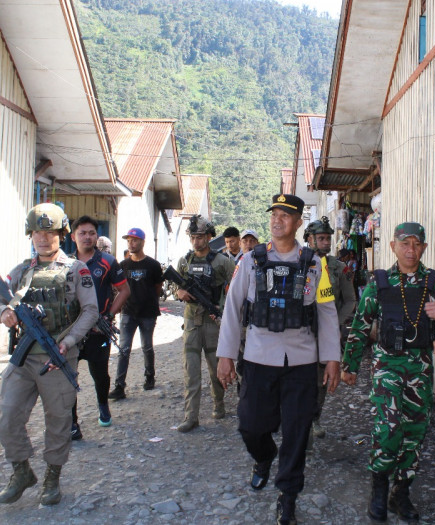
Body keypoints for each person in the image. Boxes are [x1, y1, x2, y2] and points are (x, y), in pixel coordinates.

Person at [217, 194, 342, 525]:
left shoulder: (317, 264)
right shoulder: (250, 261)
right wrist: (226, 355)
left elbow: (327, 312)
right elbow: (233, 309)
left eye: (286, 215)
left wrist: (332, 358)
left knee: (298, 432)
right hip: (259, 358)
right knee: (250, 425)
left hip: (302, 361)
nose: (278, 219)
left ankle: (288, 497)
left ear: (298, 222)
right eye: (275, 213)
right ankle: (263, 456)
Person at [341, 222, 435, 523]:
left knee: (414, 433)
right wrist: (350, 365)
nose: (411, 249)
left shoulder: (434, 282)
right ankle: (379, 489)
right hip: (387, 367)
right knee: (388, 428)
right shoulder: (380, 282)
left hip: (419, 368)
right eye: (404, 243)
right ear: (393, 246)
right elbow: (360, 324)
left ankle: (401, 492)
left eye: (416, 244)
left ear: (423, 248)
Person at [0, 203, 98, 506]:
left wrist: (70, 340)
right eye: (37, 232)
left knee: (58, 421)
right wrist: (3, 313)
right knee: (8, 416)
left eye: (49, 232)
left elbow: (91, 310)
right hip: (24, 358)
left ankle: (52, 476)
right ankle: (21, 471)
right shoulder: (22, 270)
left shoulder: (77, 270)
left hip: (58, 357)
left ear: (61, 235)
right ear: (30, 234)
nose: (43, 238)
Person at [69, 216, 129, 440]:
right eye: (82, 233)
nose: (87, 237)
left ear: (96, 236)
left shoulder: (107, 261)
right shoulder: (65, 263)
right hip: (71, 332)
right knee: (68, 378)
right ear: (73, 236)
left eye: (91, 233)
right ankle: (72, 423)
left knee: (100, 375)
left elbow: (124, 291)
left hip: (98, 331)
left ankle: (103, 406)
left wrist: (108, 315)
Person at [175, 215, 235, 432]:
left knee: (214, 369)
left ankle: (219, 403)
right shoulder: (185, 261)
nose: (196, 241)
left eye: (200, 236)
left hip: (212, 323)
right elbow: (177, 288)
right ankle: (191, 415)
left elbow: (236, 289)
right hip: (192, 322)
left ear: (210, 236)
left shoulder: (222, 262)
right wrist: (180, 292)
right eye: (193, 237)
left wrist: (223, 308)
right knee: (191, 371)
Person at [305, 216, 356, 442]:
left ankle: (314, 418)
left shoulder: (338, 268)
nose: (326, 242)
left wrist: (334, 323)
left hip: (325, 334)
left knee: (320, 380)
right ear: (310, 239)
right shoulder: (298, 263)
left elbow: (350, 301)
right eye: (321, 238)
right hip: (300, 332)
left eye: (328, 238)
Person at [110, 228, 163, 399]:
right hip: (128, 312)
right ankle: (119, 386)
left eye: (134, 240)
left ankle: (149, 377)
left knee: (147, 346)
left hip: (148, 313)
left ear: (142, 242)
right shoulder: (123, 265)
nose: (131, 243)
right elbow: (118, 288)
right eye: (129, 241)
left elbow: (157, 288)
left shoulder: (153, 265)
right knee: (124, 349)